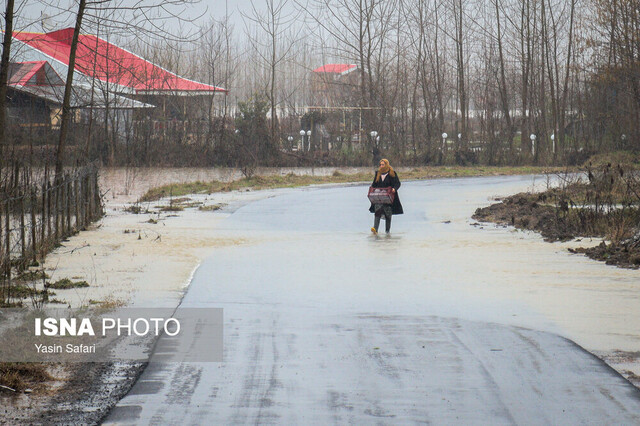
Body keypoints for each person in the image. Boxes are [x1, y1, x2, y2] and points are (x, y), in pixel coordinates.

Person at [369, 158, 403, 234]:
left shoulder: (392, 173)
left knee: (388, 213)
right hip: (379, 196)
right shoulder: (378, 173)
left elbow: (398, 183)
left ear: (386, 165)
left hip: (389, 197)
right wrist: (372, 189)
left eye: (383, 164)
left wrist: (394, 189)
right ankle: (375, 229)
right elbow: (374, 184)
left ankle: (387, 231)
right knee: (377, 211)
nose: (381, 166)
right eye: (380, 165)